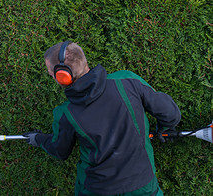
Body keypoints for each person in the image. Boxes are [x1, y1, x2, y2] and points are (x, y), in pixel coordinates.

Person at [24, 41, 181, 196]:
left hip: (96, 189)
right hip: (142, 185)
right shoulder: (127, 81)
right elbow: (170, 114)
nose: (51, 76)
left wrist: (38, 139)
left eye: (51, 73)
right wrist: (164, 128)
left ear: (62, 76)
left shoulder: (66, 113)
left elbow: (60, 150)